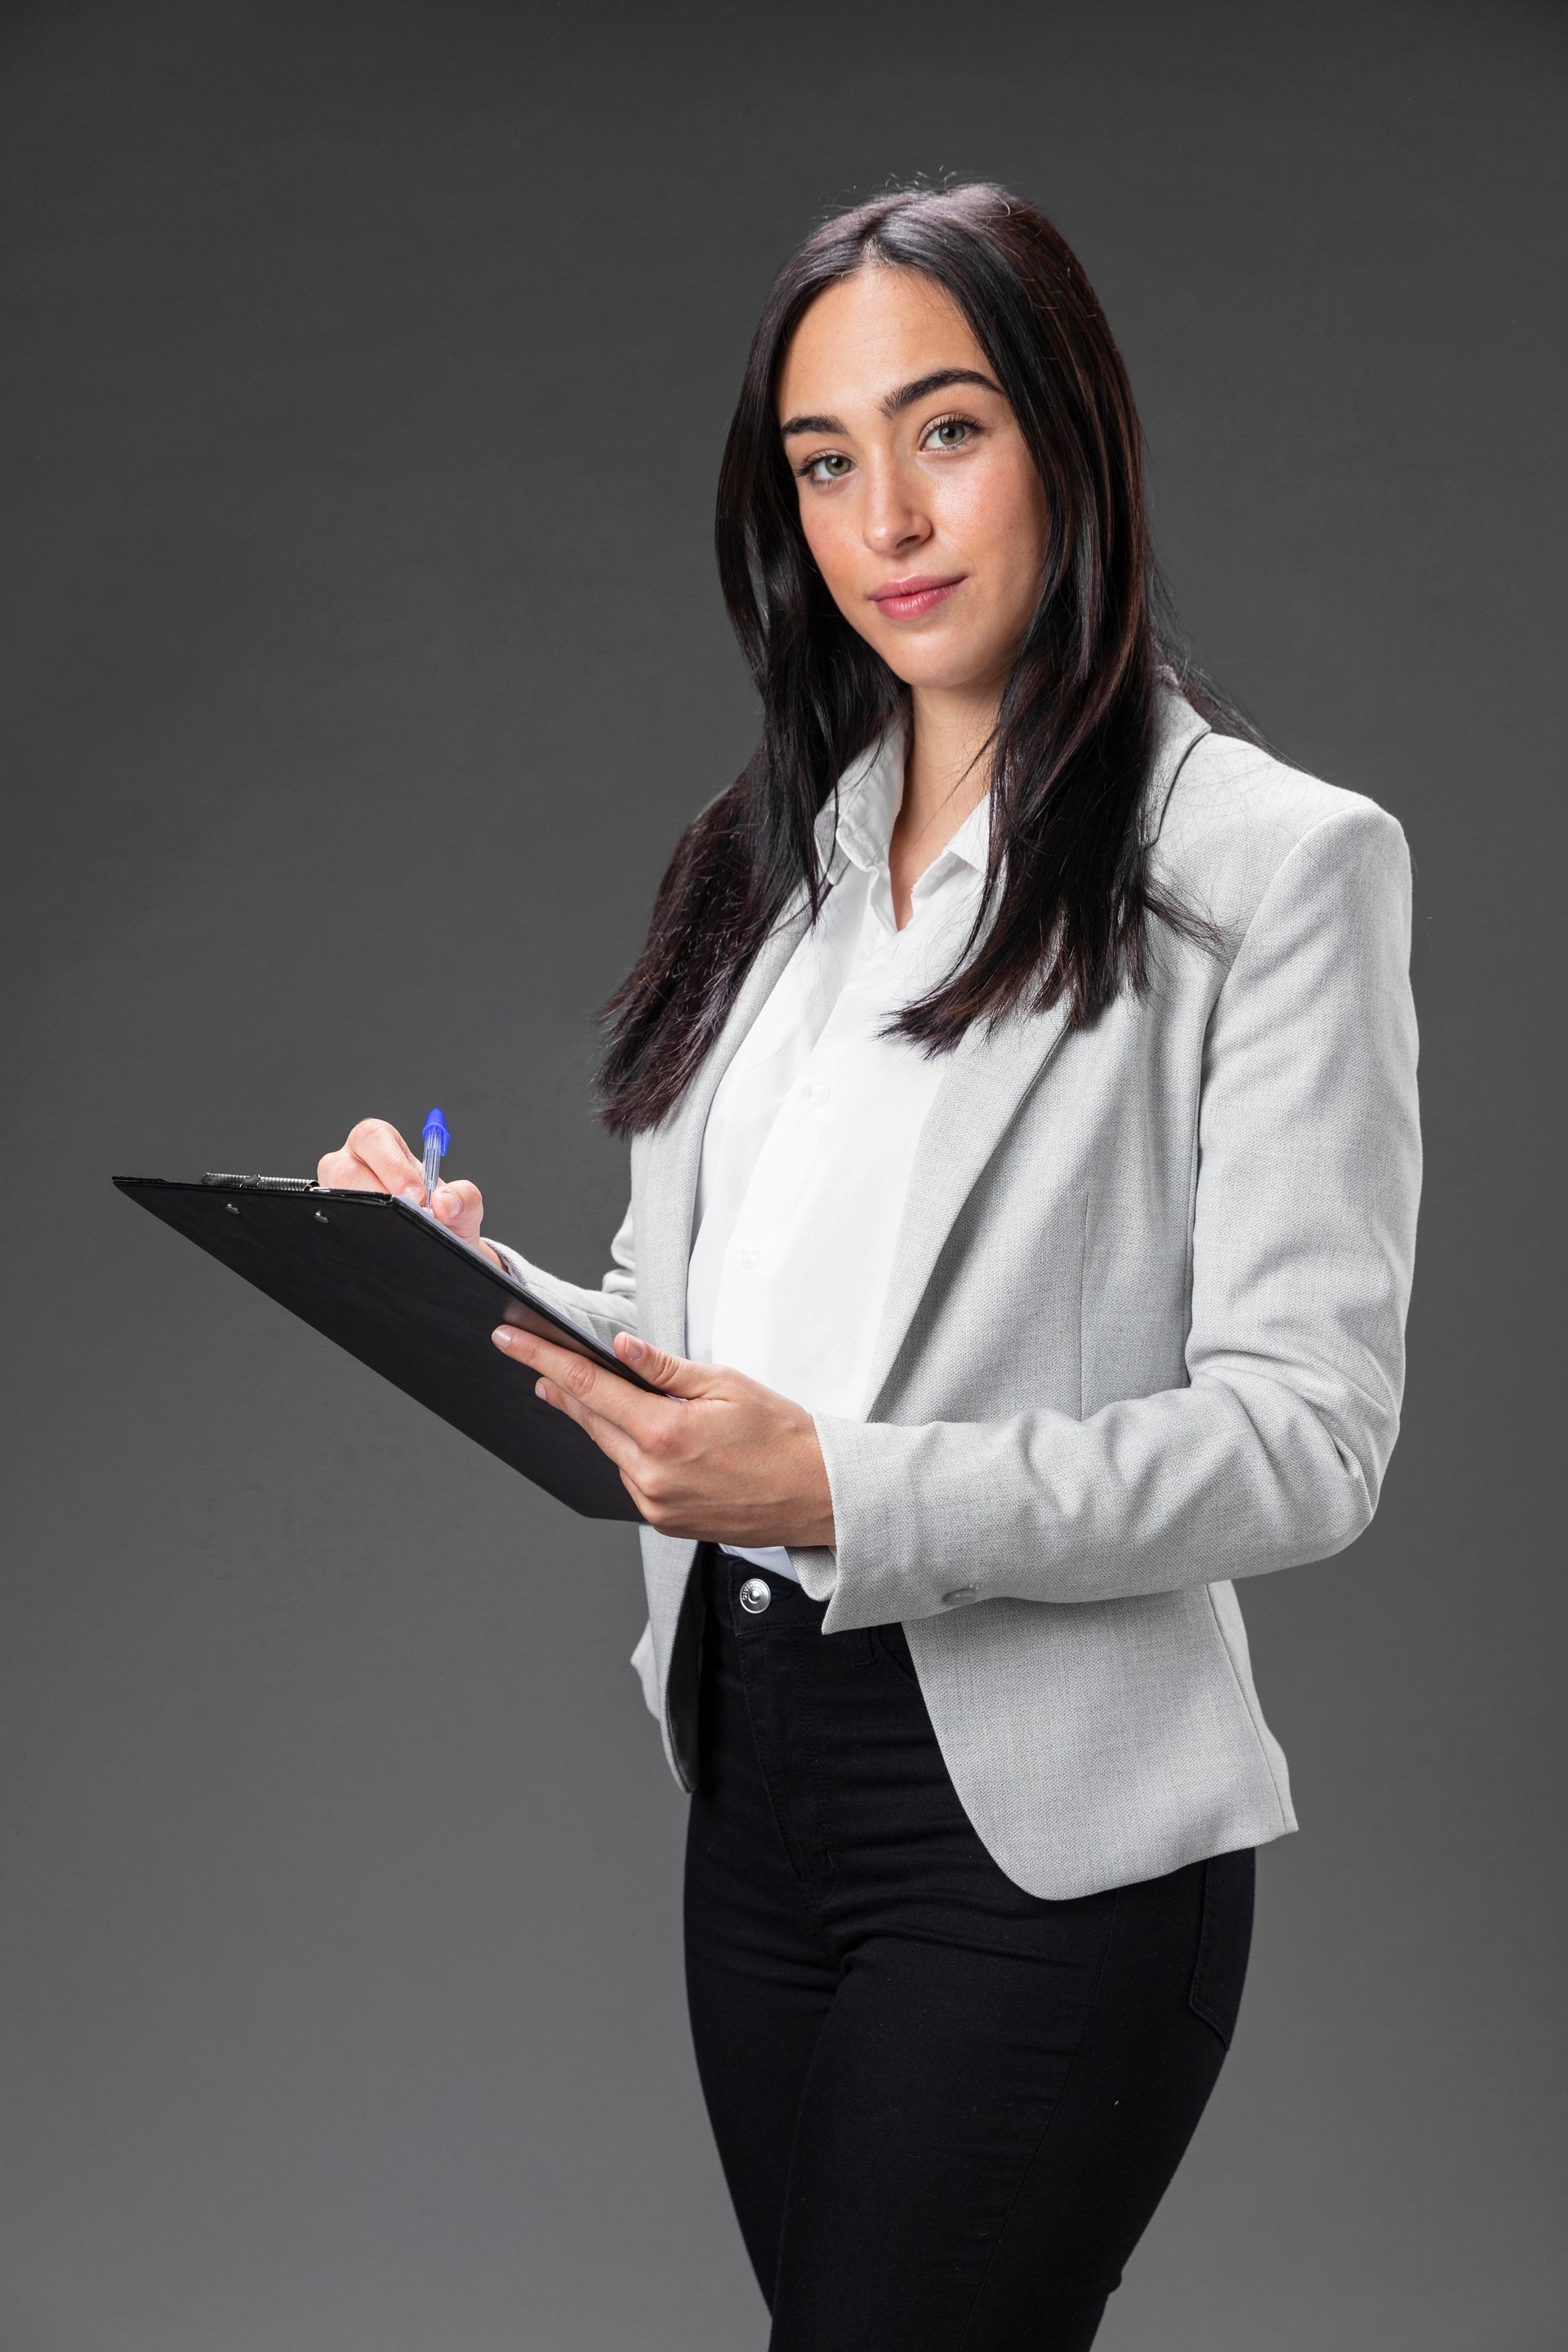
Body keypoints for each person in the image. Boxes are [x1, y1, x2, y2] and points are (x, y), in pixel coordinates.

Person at [317, 182, 1421, 2351]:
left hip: (1044, 1844)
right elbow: (714, 1364)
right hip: (756, 1790)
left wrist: (840, 1495)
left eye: (949, 432)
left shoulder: (1275, 869)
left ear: (1071, 443)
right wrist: (472, 1290)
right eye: (826, 462)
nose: (886, 519)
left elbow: (1313, 1444)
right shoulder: (771, 873)